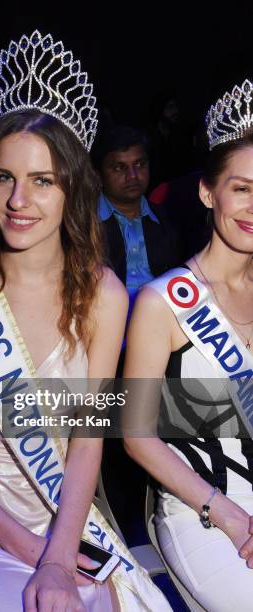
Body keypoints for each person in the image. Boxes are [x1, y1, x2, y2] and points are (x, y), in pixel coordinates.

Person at [0, 31, 171, 612]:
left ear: (71, 189)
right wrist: (27, 548)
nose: (18, 200)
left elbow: (87, 440)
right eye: (5, 177)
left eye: (42, 181)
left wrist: (56, 555)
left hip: (63, 519)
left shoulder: (105, 295)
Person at [123, 78, 253, 611]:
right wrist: (227, 514)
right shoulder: (164, 301)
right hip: (203, 510)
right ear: (208, 192)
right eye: (242, 188)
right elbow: (135, 435)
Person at [95, 126, 179, 316]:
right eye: (120, 168)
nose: (133, 175)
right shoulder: (84, 224)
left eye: (140, 164)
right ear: (98, 176)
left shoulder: (168, 219)